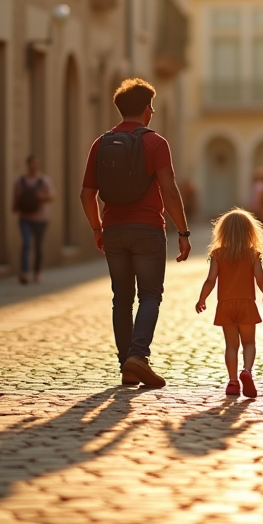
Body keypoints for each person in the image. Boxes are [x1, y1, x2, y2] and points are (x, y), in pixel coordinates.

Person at [80, 78, 191, 389]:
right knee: (151, 295)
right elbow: (169, 191)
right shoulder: (156, 143)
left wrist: (97, 228)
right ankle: (138, 356)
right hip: (148, 230)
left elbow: (86, 195)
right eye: (151, 107)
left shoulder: (101, 143)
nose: (153, 112)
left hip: (114, 228)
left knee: (122, 298)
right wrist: (183, 231)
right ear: (146, 109)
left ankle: (126, 367)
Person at [195, 208, 263, 397]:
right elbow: (260, 279)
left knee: (231, 345)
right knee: (249, 343)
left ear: (222, 232)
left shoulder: (218, 254)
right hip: (247, 304)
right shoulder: (253, 254)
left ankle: (232, 382)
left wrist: (202, 298)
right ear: (250, 232)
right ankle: (246, 371)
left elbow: (210, 280)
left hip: (225, 305)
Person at [13, 155, 55, 285]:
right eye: (31, 164)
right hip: (25, 218)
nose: (33, 166)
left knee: (38, 246)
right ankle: (24, 272)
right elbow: (16, 196)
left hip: (41, 218)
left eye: (35, 164)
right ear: (28, 165)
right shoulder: (20, 180)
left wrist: (40, 197)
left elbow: (52, 196)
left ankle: (37, 272)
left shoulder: (44, 180)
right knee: (26, 243)